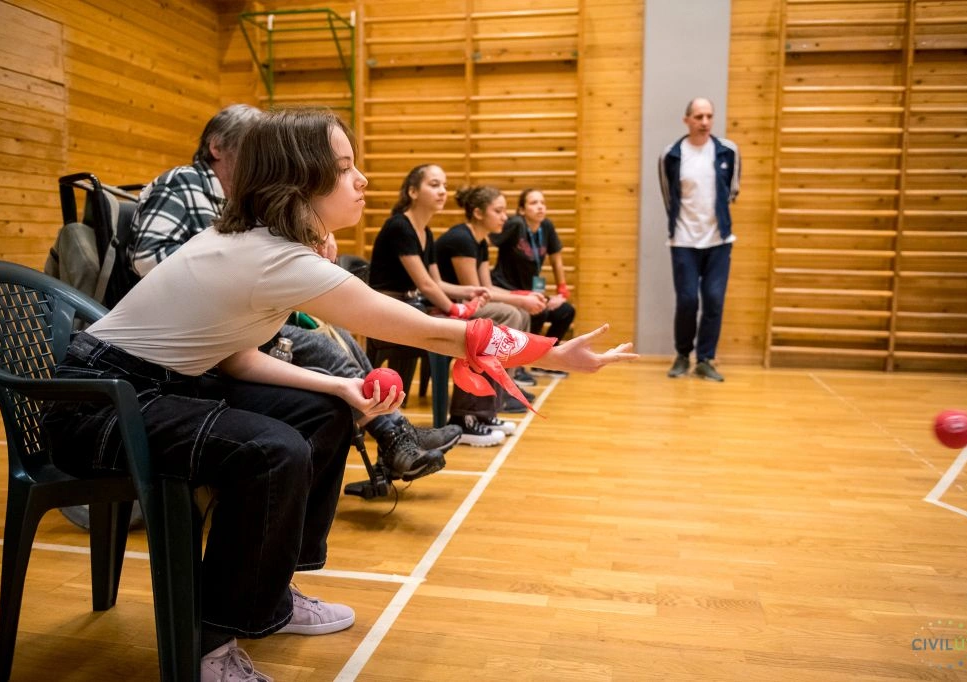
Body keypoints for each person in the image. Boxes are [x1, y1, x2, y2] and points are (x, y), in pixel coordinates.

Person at [42, 109, 636, 679]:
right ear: (298, 181)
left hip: (162, 387)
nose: (363, 179)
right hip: (98, 405)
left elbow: (235, 357)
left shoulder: (264, 246)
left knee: (323, 413)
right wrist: (553, 353)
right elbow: (432, 331)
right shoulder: (270, 257)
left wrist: (340, 385)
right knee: (271, 450)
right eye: (346, 167)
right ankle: (209, 642)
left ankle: (271, 591)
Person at [127, 104, 460, 480]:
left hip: (227, 328)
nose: (260, 157)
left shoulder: (248, 219)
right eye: (253, 147)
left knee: (334, 345)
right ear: (218, 147)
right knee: (317, 353)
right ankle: (394, 434)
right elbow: (145, 257)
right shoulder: (188, 185)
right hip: (176, 343)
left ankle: (394, 430)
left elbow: (241, 354)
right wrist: (223, 275)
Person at [369, 165, 508, 446]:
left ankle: (479, 414)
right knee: (473, 332)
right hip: (390, 309)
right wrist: (456, 310)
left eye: (444, 185)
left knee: (483, 329)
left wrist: (469, 291)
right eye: (434, 185)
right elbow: (425, 285)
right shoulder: (399, 226)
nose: (443, 191)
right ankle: (463, 419)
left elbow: (437, 283)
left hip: (412, 306)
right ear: (412, 192)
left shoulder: (426, 232)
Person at [436, 185, 542, 422]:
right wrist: (519, 299)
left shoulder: (480, 241)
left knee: (521, 312)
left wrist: (523, 297)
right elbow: (476, 292)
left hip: (467, 301)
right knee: (512, 314)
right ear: (478, 213)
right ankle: (498, 391)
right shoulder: (462, 239)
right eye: (498, 211)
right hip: (446, 305)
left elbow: (488, 288)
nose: (505, 217)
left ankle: (507, 385)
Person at [658, 97, 740, 382]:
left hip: (719, 241)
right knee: (688, 300)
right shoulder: (671, 155)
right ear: (687, 120)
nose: (704, 122)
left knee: (714, 300)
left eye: (709, 116)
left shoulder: (728, 151)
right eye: (698, 117)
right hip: (683, 240)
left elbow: (732, 191)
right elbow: (668, 196)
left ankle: (705, 359)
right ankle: (682, 355)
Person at [490, 188, 576, 380]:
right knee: (538, 311)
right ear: (522, 210)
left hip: (531, 292)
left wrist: (561, 292)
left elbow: (556, 259)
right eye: (533, 203)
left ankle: (544, 360)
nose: (540, 207)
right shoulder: (515, 225)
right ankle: (518, 362)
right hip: (506, 290)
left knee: (565, 311)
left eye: (542, 203)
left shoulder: (546, 227)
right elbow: (489, 237)